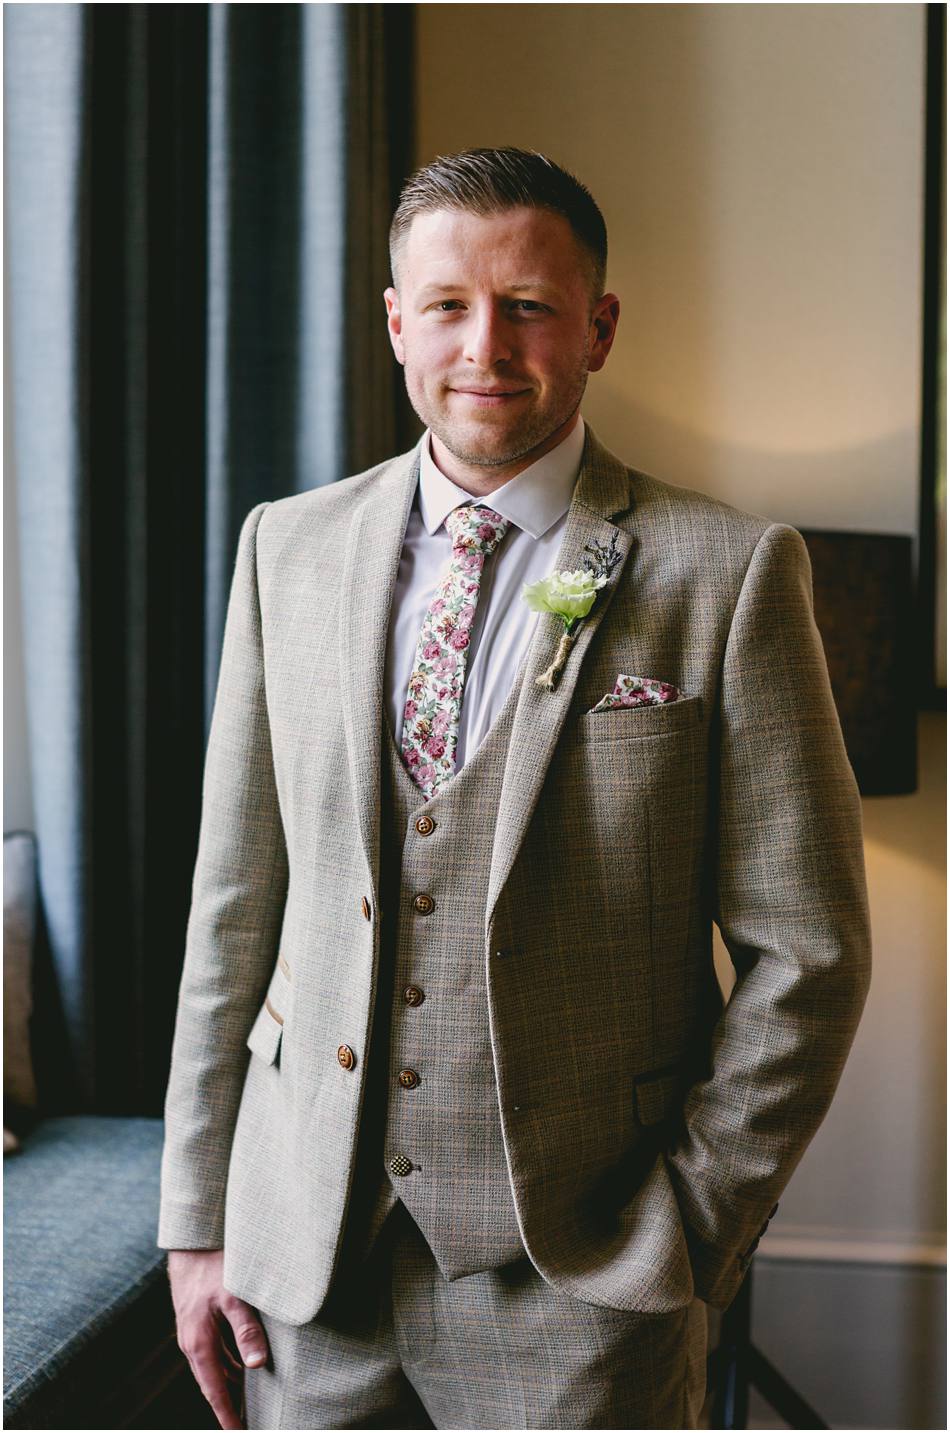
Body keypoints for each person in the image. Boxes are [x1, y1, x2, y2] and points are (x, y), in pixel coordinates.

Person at [158, 147, 871, 1430]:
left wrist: (686, 1231)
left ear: (596, 327)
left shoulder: (728, 571)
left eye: (528, 305)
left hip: (581, 1285)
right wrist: (198, 1222)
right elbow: (232, 912)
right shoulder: (286, 548)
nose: (484, 344)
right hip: (304, 1278)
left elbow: (807, 953)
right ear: (394, 322)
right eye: (446, 304)